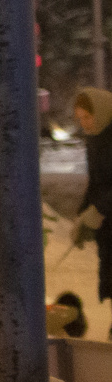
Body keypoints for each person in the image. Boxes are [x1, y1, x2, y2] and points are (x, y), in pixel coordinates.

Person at [75, 87, 112, 314]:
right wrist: (83, 216)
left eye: (87, 117)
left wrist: (98, 209)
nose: (84, 123)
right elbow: (96, 183)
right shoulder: (94, 141)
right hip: (108, 222)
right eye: (80, 118)